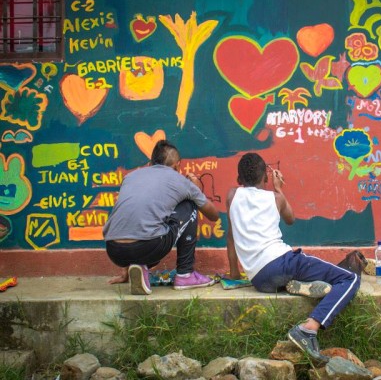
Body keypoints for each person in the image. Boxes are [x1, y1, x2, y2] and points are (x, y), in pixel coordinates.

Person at [225, 152, 360, 364]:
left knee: (297, 271)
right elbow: (291, 219)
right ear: (266, 178)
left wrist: (234, 272)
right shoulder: (275, 198)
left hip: (259, 279)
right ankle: (309, 328)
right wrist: (279, 189)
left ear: (239, 180)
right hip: (282, 262)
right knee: (349, 278)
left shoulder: (232, 196)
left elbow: (231, 235)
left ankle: (298, 284)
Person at [103, 139, 220, 295]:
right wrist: (196, 191)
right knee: (189, 205)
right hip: (147, 247)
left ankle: (136, 269)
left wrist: (125, 268)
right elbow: (213, 215)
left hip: (114, 251)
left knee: (150, 218)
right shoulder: (180, 181)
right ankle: (185, 275)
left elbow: (129, 215)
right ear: (178, 165)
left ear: (151, 163)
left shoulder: (131, 177)